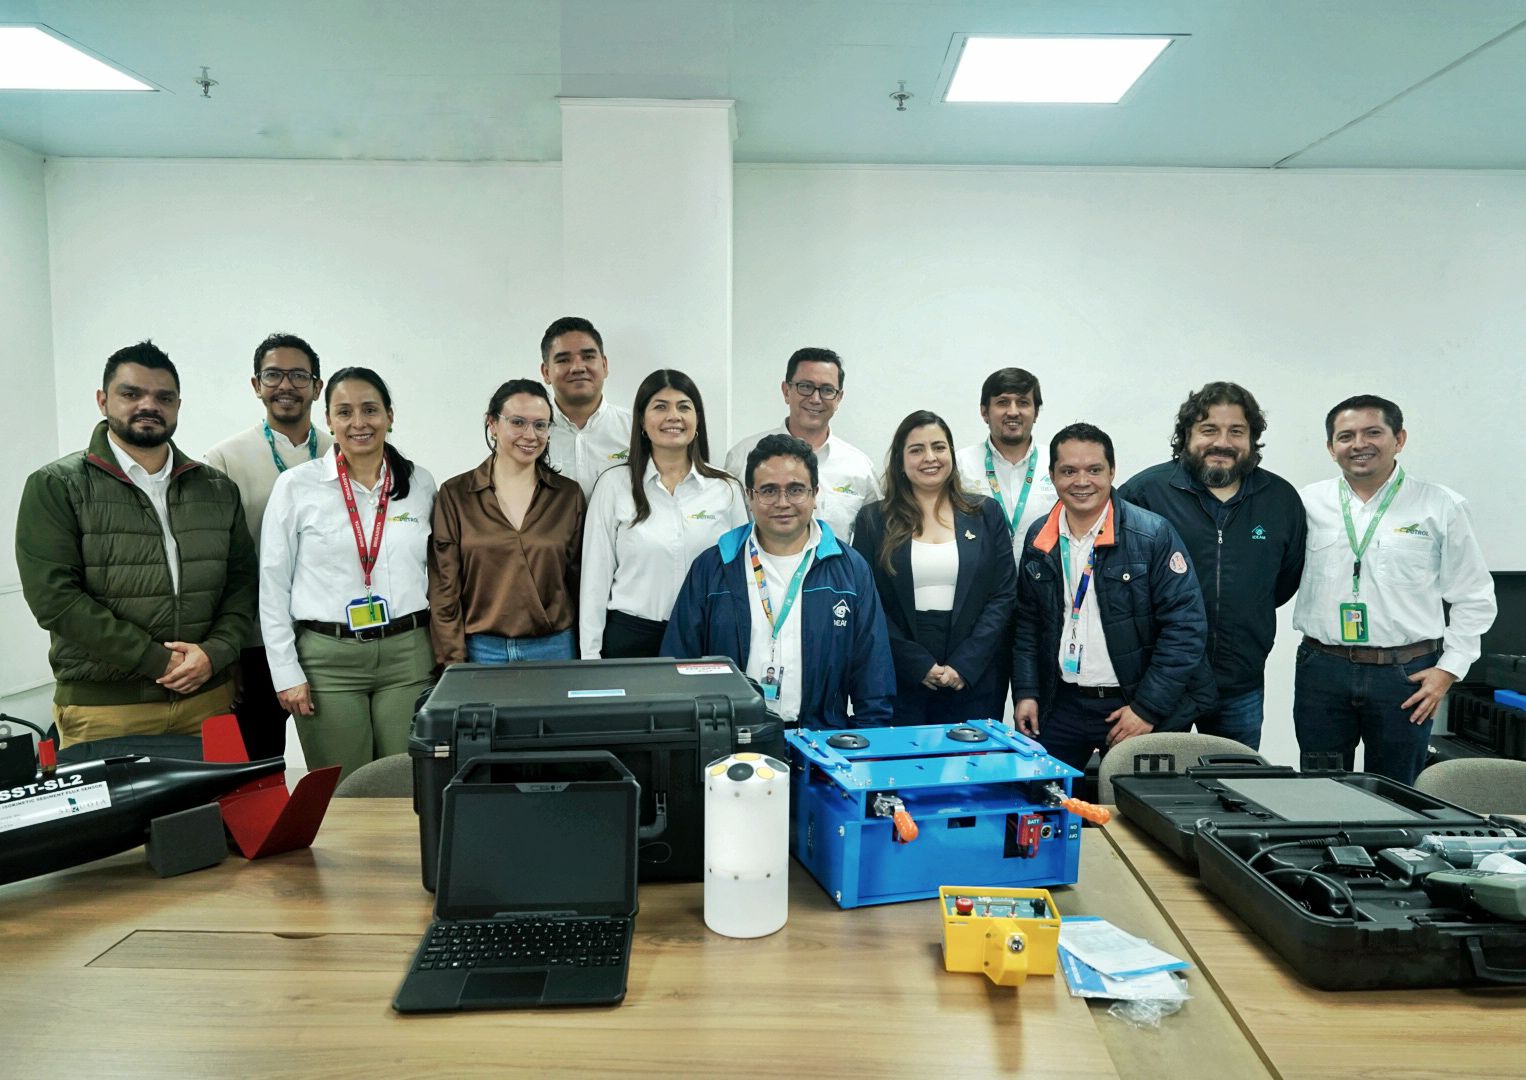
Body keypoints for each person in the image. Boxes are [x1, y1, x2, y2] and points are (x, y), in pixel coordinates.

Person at [16, 341, 257, 748]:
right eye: (131, 394)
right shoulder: (57, 485)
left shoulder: (216, 488)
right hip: (106, 711)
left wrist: (215, 652)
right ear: (102, 400)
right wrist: (158, 661)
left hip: (207, 700)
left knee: (219, 794)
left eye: (164, 397)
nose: (149, 405)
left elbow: (241, 583)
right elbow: (54, 599)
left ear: (178, 405)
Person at [1291, 395, 1495, 784]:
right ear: (1331, 448)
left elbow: (1474, 596)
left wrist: (1449, 670)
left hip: (1406, 673)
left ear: (1398, 439)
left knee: (1398, 792)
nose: (1359, 444)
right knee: (1320, 788)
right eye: (1346, 436)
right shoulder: (1306, 503)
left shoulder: (1441, 505)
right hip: (1322, 670)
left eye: (1373, 432)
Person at [259, 367, 437, 780]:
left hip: (408, 657)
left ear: (389, 416)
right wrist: (285, 672)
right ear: (328, 420)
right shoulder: (296, 486)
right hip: (328, 662)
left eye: (370, 410)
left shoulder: (419, 483)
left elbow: (443, 571)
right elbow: (273, 585)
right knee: (344, 790)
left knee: (407, 784)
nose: (359, 422)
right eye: (344, 412)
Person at [1011, 423, 1215, 772]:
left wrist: (1147, 709)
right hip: (1061, 705)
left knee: (1134, 804)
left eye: (1094, 470)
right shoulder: (1039, 536)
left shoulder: (1152, 535)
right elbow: (1027, 624)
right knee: (1045, 798)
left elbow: (1185, 628)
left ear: (1112, 471)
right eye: (1069, 471)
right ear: (1052, 475)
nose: (1082, 481)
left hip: (1132, 705)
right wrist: (1027, 692)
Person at [1117, 382, 1305, 749]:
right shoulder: (1144, 495)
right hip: (1158, 687)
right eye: (1209, 430)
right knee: (1152, 781)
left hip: (1240, 686)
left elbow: (1282, 583)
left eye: (1236, 431)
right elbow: (1116, 590)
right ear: (1187, 435)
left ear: (1252, 439)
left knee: (1234, 781)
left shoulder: (1280, 499)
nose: (1222, 442)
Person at [662, 433, 894, 728]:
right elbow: (679, 666)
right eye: (769, 490)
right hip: (732, 739)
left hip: (822, 739)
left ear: (815, 494)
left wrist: (865, 744)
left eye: (795, 490)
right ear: (750, 497)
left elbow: (874, 674)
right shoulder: (713, 568)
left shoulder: (850, 570)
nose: (782, 502)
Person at [204, 333, 333, 759]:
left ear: (317, 386)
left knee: (338, 763)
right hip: (254, 641)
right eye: (273, 375)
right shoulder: (224, 459)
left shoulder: (340, 453)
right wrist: (228, 652)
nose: (286, 386)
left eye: (299, 376)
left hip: (328, 638)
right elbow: (216, 562)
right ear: (256, 385)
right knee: (260, 764)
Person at [852, 410, 1016, 725]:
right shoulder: (873, 520)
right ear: (900, 461)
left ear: (951, 453)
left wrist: (965, 665)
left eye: (939, 447)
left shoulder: (986, 513)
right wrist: (916, 664)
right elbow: (868, 602)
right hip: (901, 672)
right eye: (917, 450)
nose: (930, 457)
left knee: (972, 755)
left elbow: (1003, 595)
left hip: (974, 672)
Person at [580, 369, 748, 658]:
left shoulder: (726, 488)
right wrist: (590, 657)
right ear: (642, 422)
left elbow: (740, 578)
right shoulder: (614, 485)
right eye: (660, 407)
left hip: (705, 638)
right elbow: (595, 579)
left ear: (697, 420)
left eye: (684, 407)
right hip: (632, 638)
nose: (673, 416)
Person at [429, 379, 583, 666]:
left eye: (540, 425)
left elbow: (579, 582)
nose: (530, 435)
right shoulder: (456, 494)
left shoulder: (568, 496)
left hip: (555, 648)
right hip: (481, 651)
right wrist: (452, 661)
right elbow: (444, 588)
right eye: (518, 422)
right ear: (492, 423)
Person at [724, 347, 880, 543]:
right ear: (786, 391)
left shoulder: (859, 468)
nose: (815, 399)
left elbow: (875, 537)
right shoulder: (742, 457)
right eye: (805, 387)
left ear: (839, 398)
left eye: (827, 390)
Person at [955, 367, 1058, 558]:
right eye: (1002, 402)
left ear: (1036, 412)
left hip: (1044, 573)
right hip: (984, 575)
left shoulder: (1057, 463)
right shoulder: (960, 464)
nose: (1013, 412)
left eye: (1023, 403)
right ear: (984, 412)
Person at [540, 316, 633, 497]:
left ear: (604, 365)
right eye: (563, 360)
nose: (578, 367)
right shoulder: (531, 434)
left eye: (588, 357)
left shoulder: (636, 430)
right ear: (546, 372)